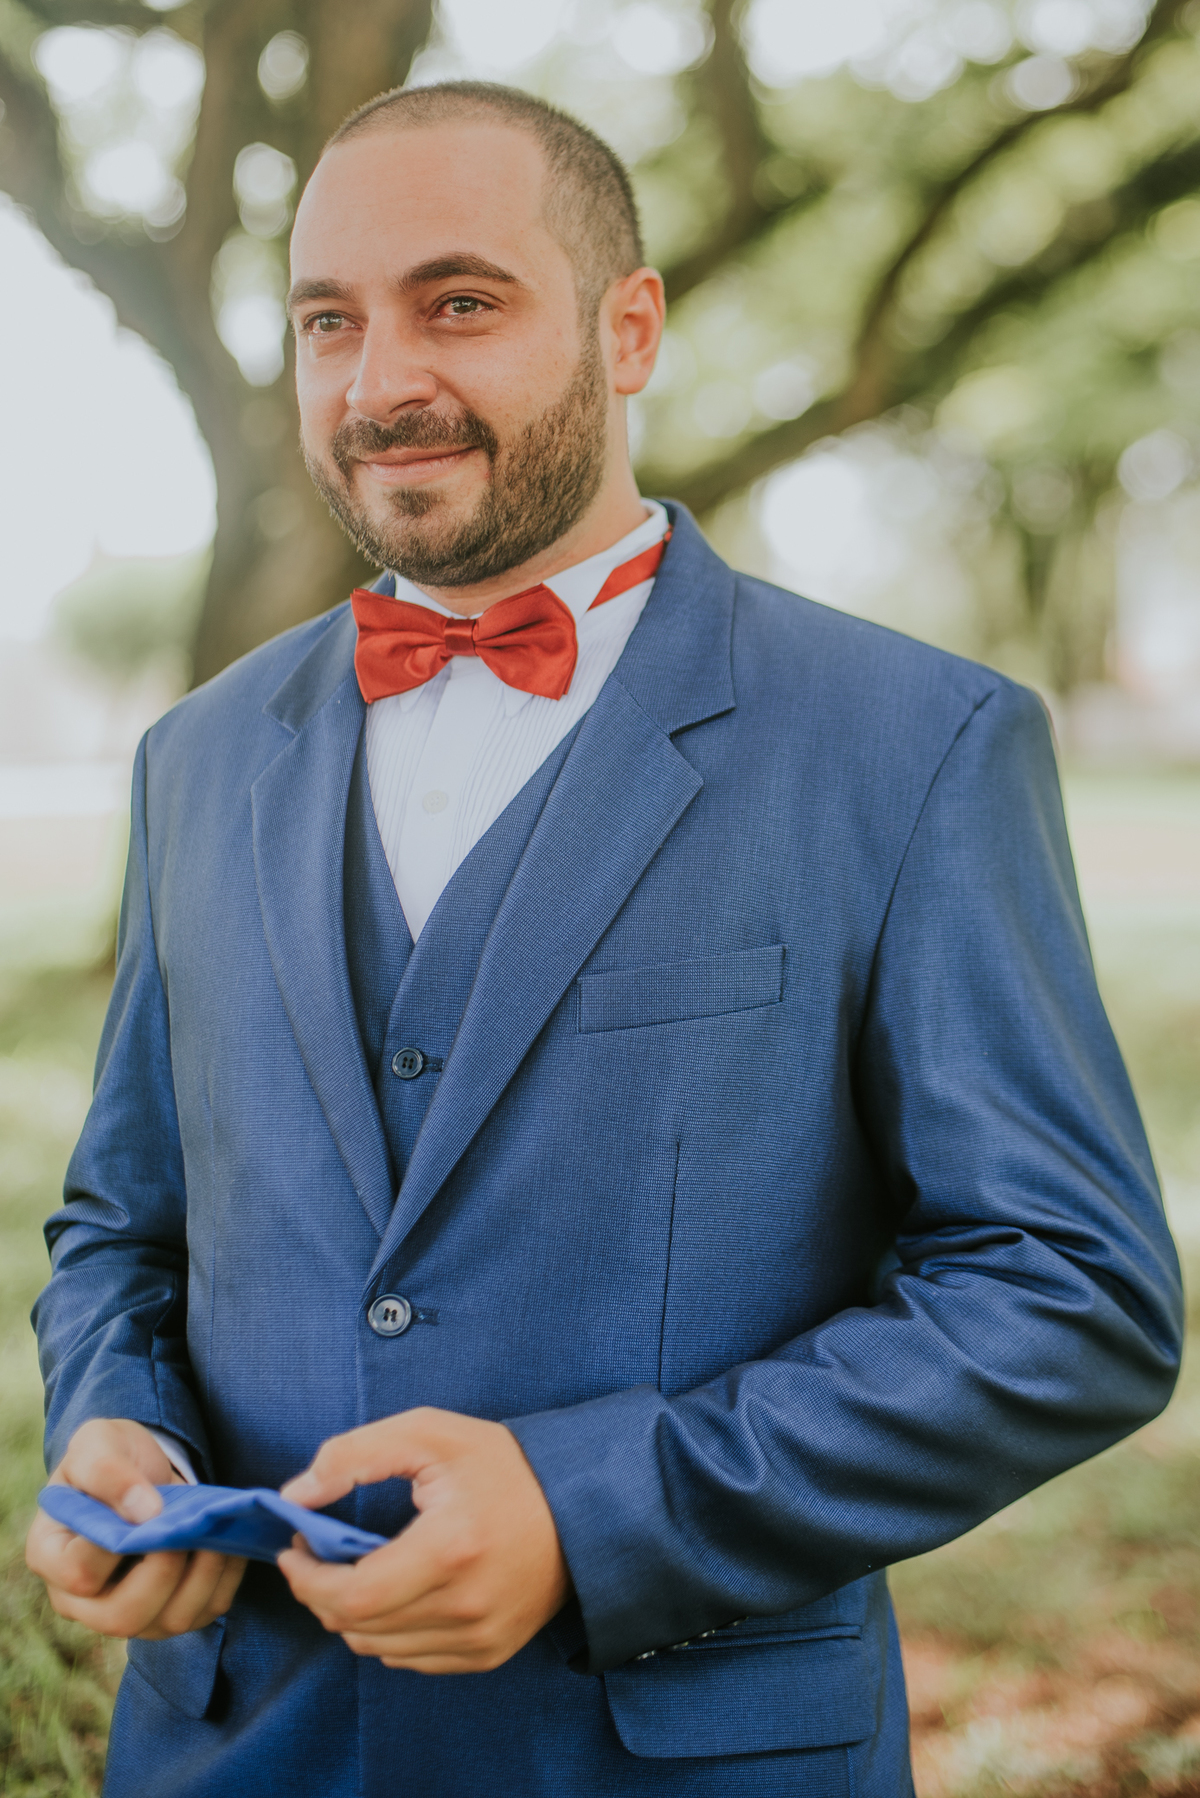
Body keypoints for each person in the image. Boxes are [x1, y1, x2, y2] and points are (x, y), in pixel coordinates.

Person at [26, 81, 1183, 1798]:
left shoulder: (916, 744)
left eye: (461, 303)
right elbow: (124, 1224)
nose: (381, 381)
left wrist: (596, 1504)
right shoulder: (196, 755)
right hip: (236, 1741)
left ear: (629, 327)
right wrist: (113, 1416)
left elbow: (1068, 1291)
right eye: (329, 320)